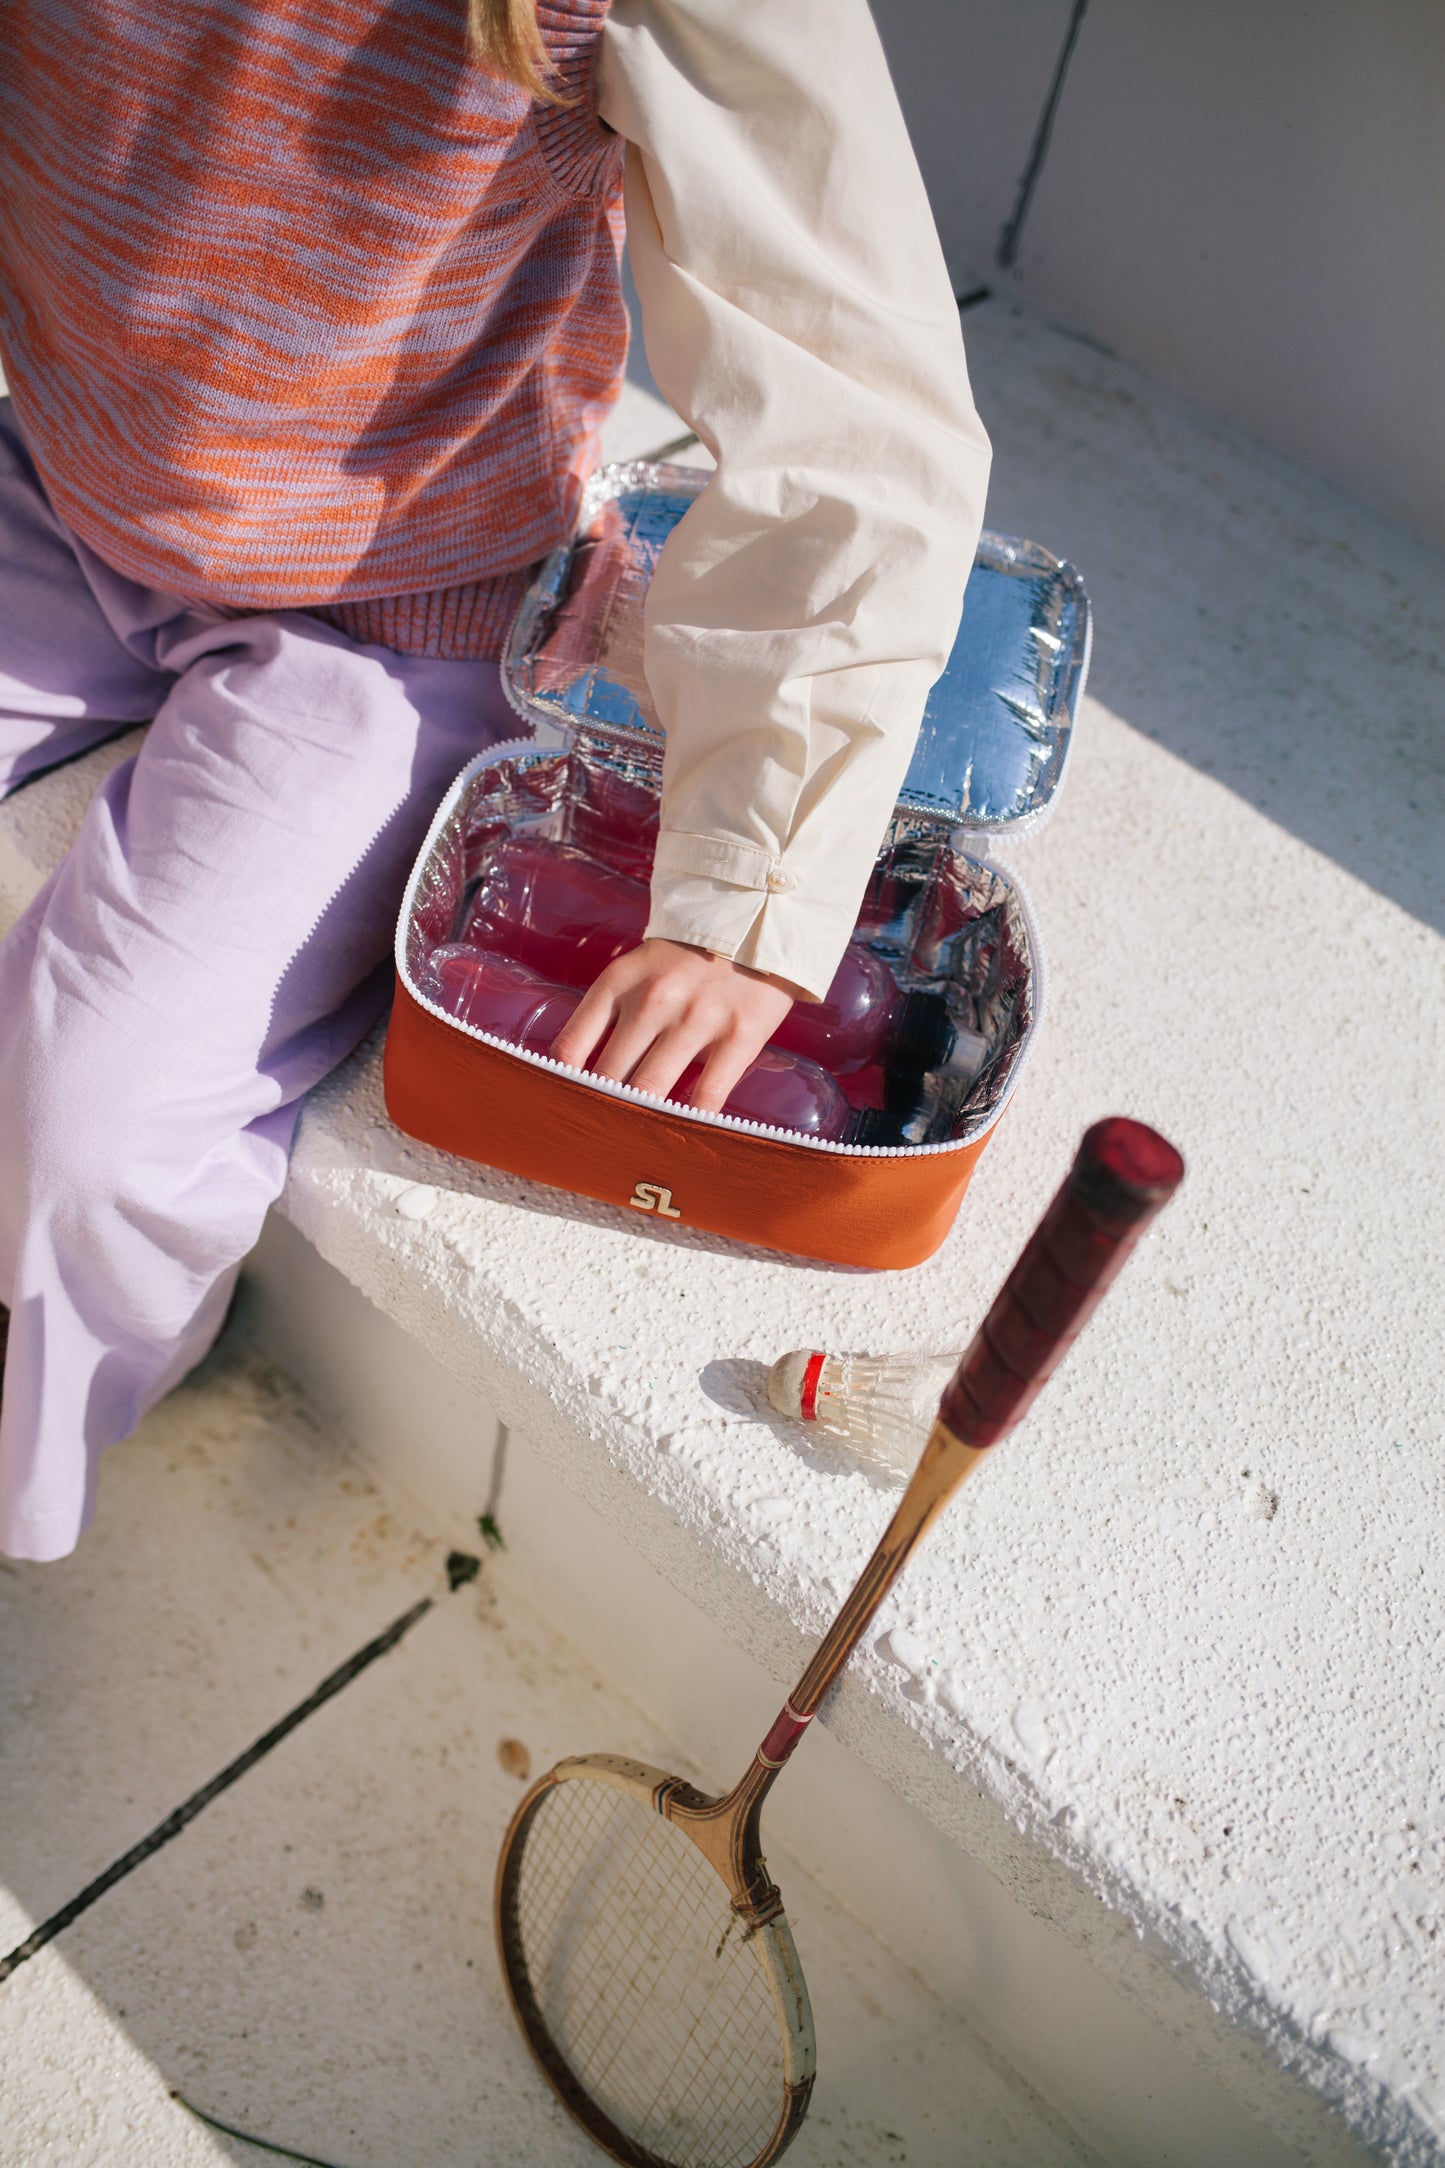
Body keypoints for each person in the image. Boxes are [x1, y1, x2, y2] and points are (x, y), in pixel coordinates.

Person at [0, 0, 990, 1560]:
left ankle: (42, 1453)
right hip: (60, 473)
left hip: (400, 609)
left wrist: (746, 888)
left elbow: (844, 402)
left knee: (97, 1122)